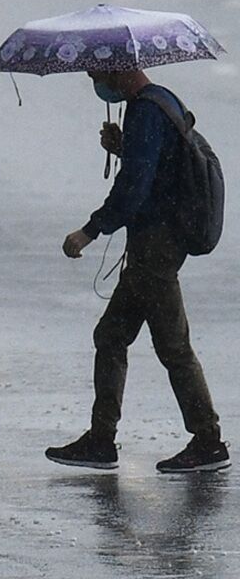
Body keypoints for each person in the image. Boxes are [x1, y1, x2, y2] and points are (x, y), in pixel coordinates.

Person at [47, 69, 227, 473]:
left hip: (156, 247)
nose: (94, 79)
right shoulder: (163, 101)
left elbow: (135, 186)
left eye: (97, 72)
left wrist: (90, 231)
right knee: (111, 335)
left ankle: (208, 440)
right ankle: (100, 439)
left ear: (118, 71)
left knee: (173, 346)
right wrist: (125, 146)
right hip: (158, 241)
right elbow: (157, 167)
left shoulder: (145, 112)